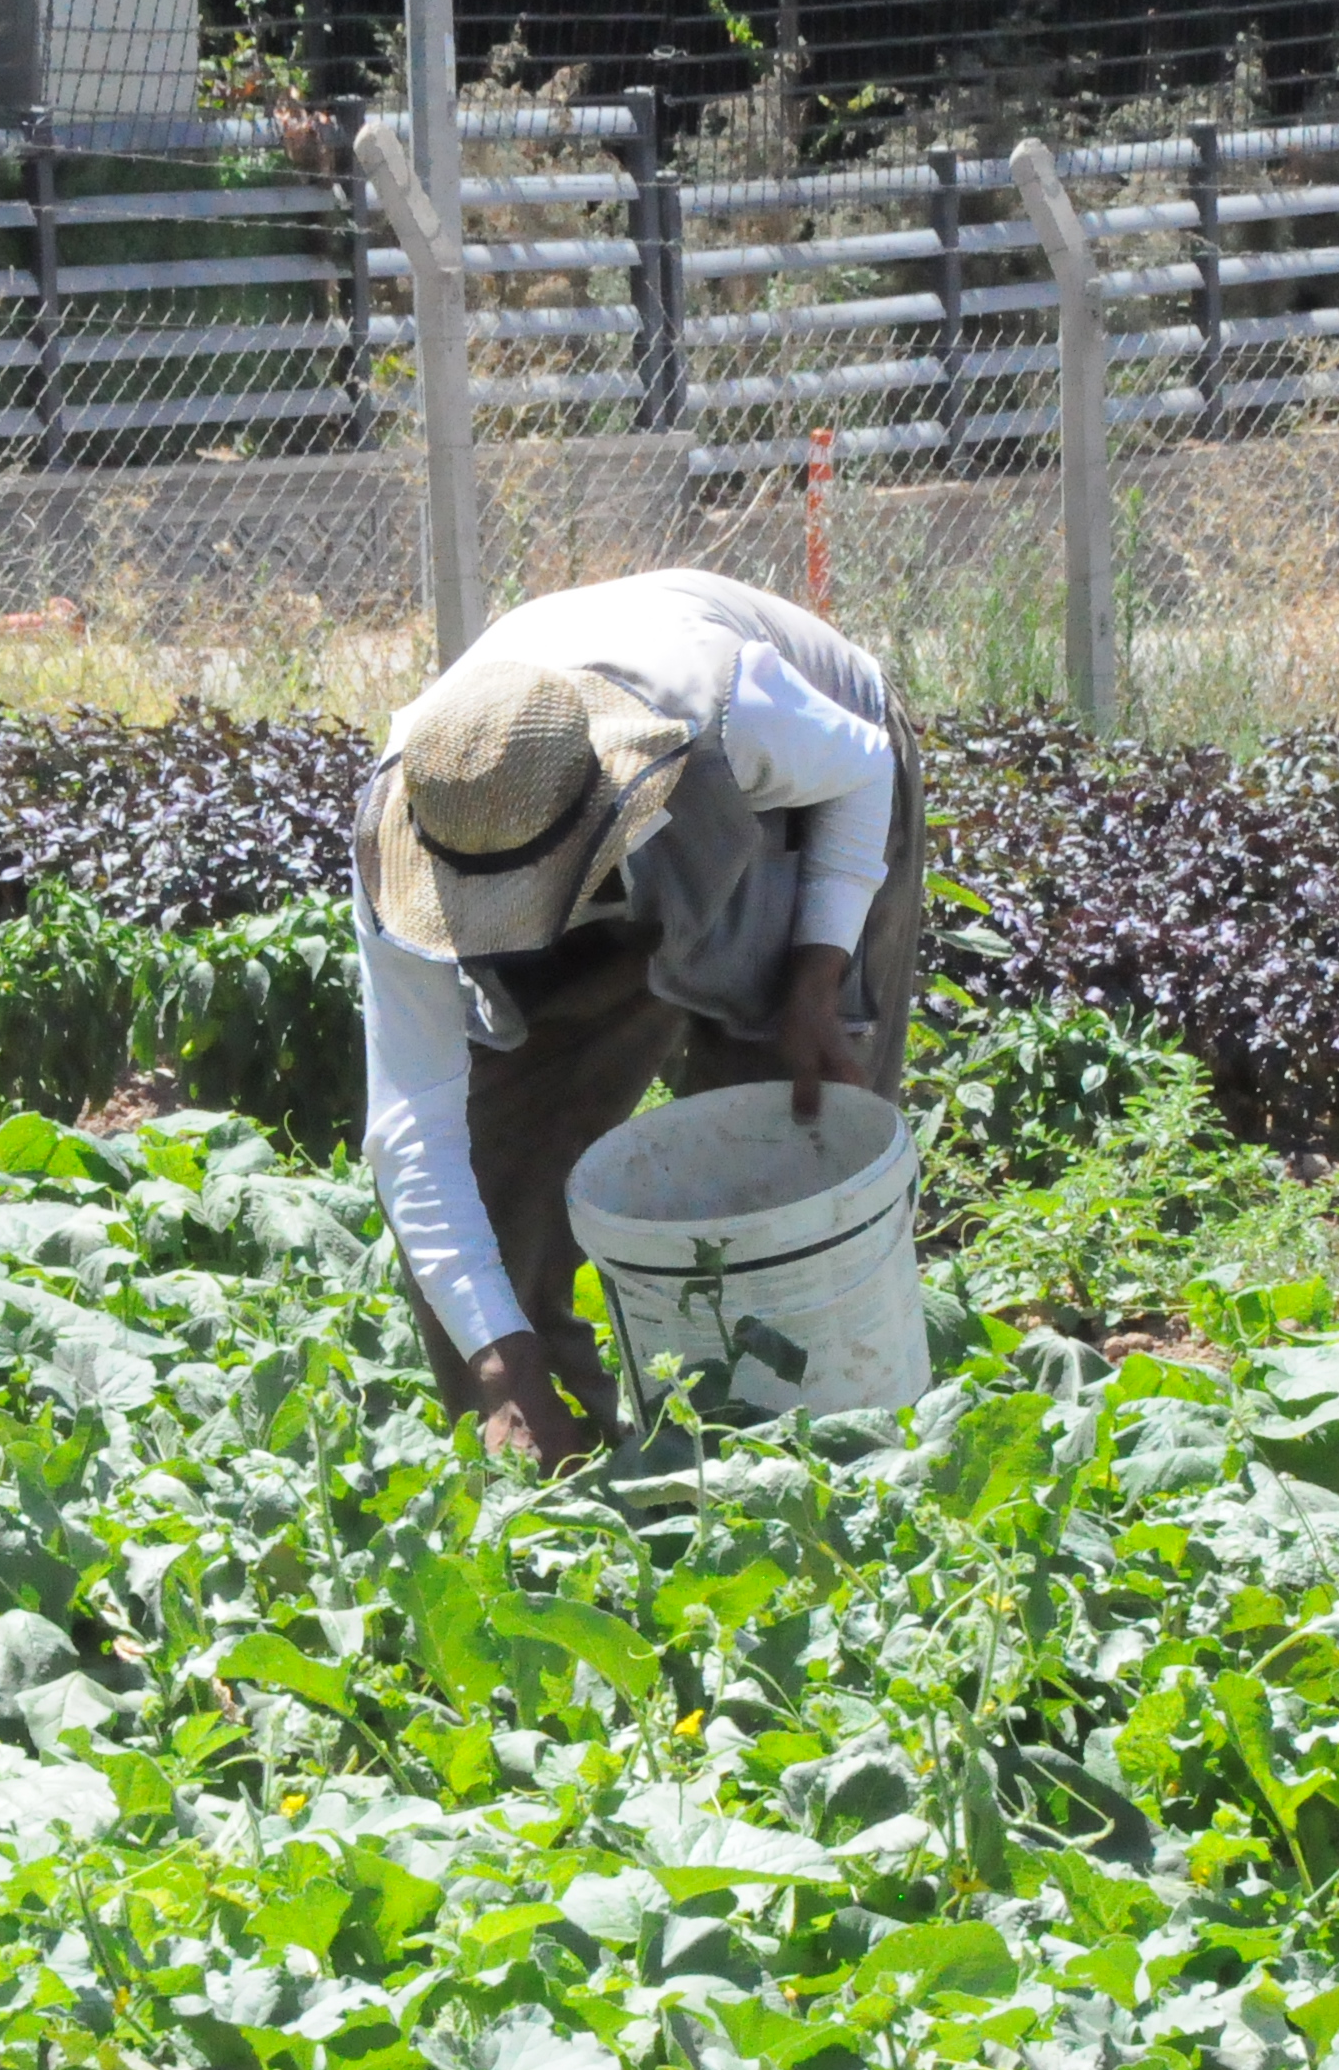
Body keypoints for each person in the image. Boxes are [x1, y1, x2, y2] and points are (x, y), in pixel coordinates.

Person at [354, 568, 919, 1467]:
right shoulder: (417, 823)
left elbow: (862, 766)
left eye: (530, 897)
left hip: (796, 800)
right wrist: (500, 1365)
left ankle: (818, 1479)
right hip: (571, 821)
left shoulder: (727, 717)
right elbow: (414, 1128)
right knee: (497, 1180)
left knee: (784, 1172)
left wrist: (819, 974)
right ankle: (564, 1479)